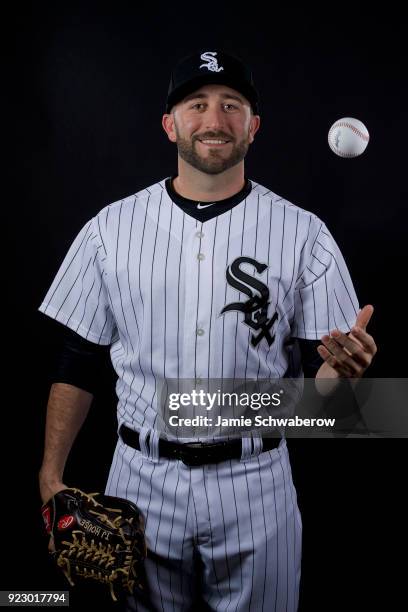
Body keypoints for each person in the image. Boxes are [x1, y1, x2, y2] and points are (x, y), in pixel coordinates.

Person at [38, 49, 377, 611]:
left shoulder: (304, 234)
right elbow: (78, 359)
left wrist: (343, 379)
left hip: (256, 484)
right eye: (197, 105)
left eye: (231, 105)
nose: (214, 121)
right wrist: (50, 475)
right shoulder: (110, 229)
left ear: (254, 126)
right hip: (138, 482)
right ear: (171, 123)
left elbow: (326, 403)